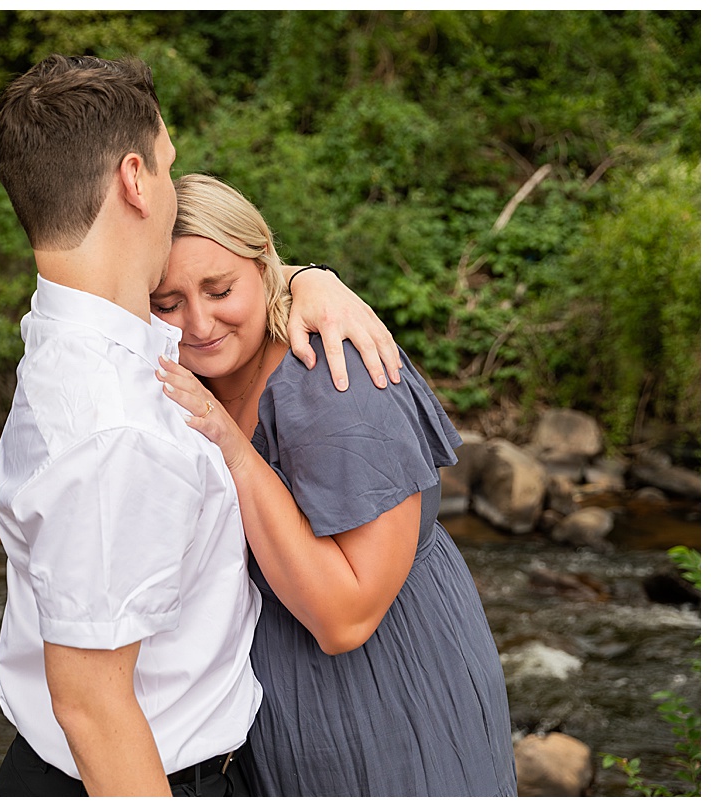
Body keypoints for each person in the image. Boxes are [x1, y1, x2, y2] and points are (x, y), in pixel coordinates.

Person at [0, 55, 402, 797]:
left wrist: (309, 279)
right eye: (171, 169)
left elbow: (229, 293)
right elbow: (92, 704)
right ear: (134, 179)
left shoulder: (76, 340)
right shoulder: (115, 428)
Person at [152, 173, 517, 796]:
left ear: (264, 264)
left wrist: (235, 449)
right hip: (266, 720)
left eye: (220, 290)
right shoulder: (187, 373)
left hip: (385, 701)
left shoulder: (331, 377)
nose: (199, 322)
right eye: (167, 303)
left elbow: (346, 617)